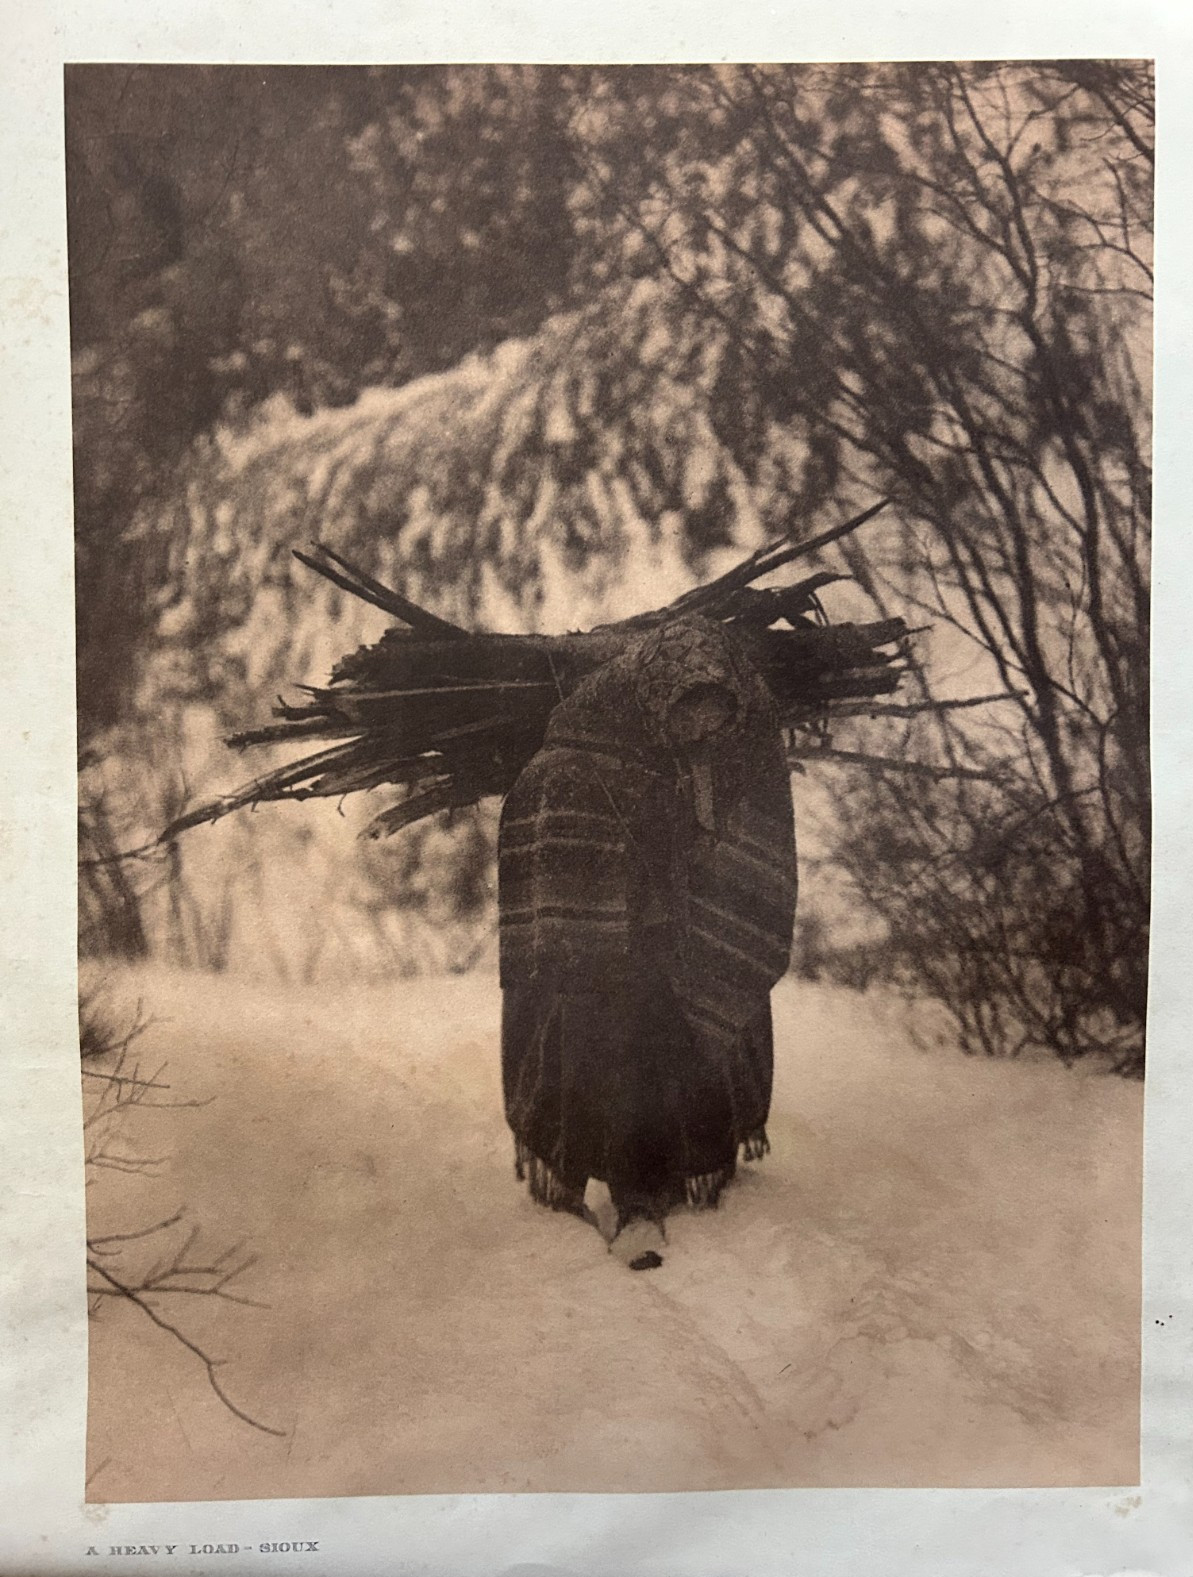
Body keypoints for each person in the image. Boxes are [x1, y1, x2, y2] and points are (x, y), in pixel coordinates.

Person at [497, 614, 797, 1266]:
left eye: (714, 718)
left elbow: (752, 830)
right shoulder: (586, 739)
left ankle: (679, 1176)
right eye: (690, 715)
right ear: (660, 699)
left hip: (679, 929)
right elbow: (560, 828)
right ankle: (620, 1196)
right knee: (607, 1048)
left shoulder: (740, 736)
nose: (702, 731)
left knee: (690, 1041)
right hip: (599, 934)